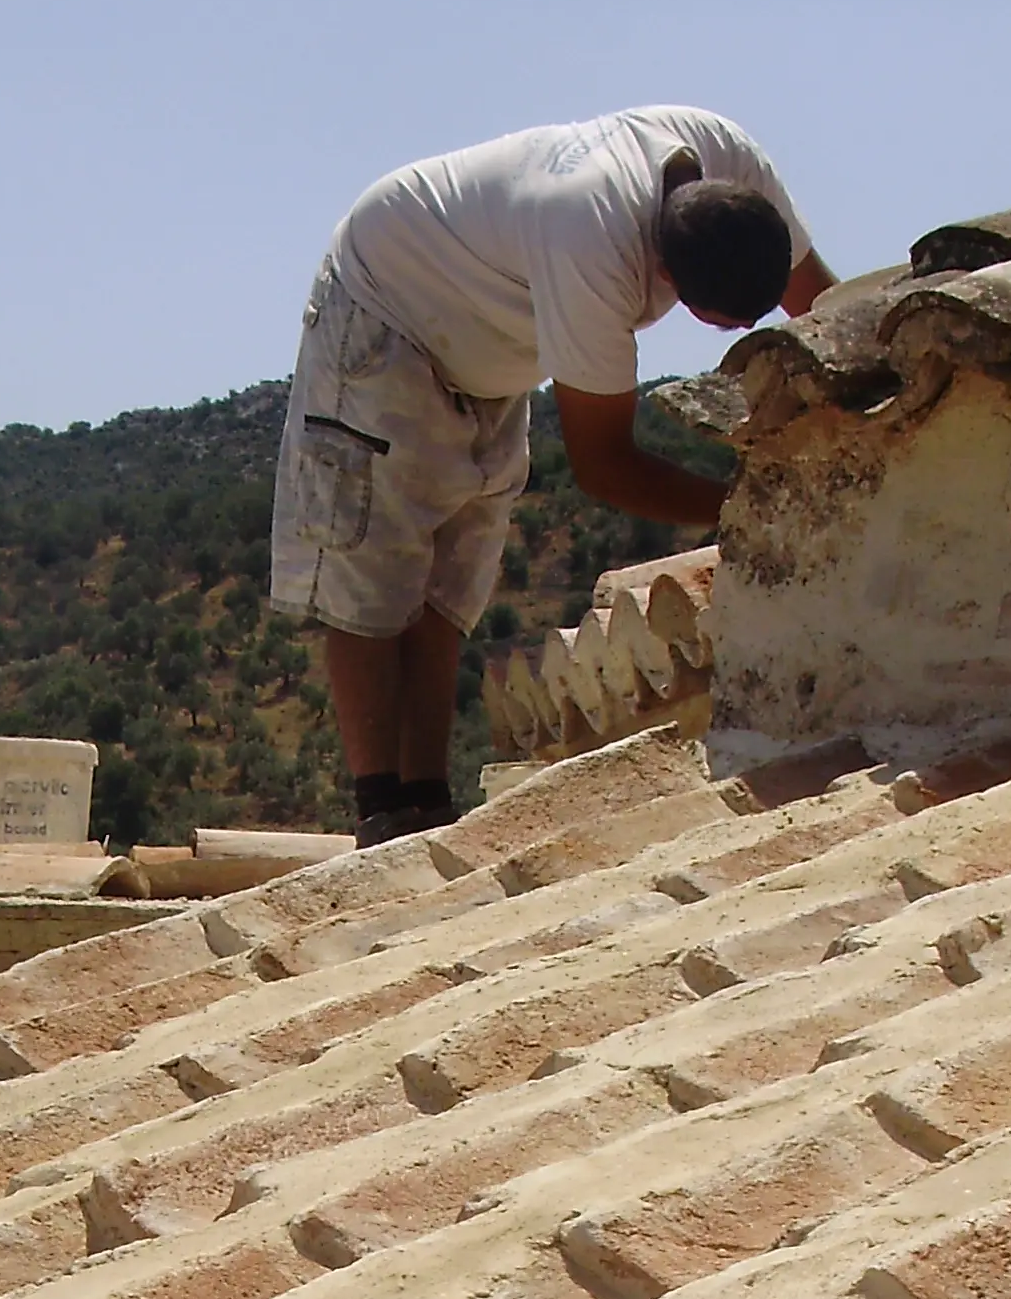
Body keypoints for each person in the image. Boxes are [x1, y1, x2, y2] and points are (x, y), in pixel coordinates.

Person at [270, 105, 834, 843]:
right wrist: (751, 503)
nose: (747, 332)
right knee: (372, 569)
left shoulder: (730, 162)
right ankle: (382, 809)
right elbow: (606, 466)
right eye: (722, 320)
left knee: (449, 579)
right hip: (388, 308)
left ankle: (425, 805)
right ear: (663, 274)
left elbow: (820, 309)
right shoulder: (593, 247)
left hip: (488, 344)